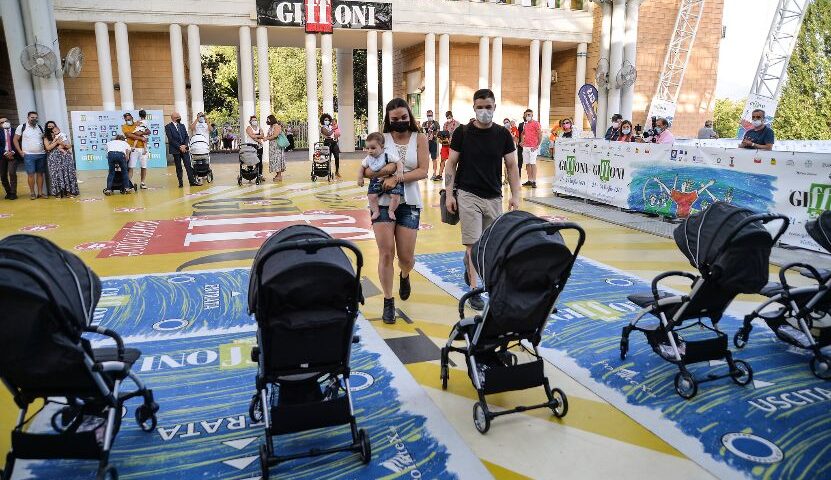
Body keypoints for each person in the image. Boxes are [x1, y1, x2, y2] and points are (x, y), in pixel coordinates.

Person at [444, 88, 521, 311]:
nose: (484, 111)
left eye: (488, 107)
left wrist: (515, 195)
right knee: (473, 244)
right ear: (474, 108)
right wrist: (449, 194)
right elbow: (451, 164)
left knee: (488, 245)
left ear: (495, 107)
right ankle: (475, 291)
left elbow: (512, 165)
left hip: (494, 197)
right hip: (468, 195)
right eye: (480, 107)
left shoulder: (503, 135)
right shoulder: (462, 133)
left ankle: (470, 265)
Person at [363, 98, 429, 324]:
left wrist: (396, 177)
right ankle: (388, 301)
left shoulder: (420, 138)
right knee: (386, 252)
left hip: (409, 201)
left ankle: (405, 273)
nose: (400, 122)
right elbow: (369, 170)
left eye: (404, 117)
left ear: (409, 116)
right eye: (395, 119)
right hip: (381, 201)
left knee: (406, 257)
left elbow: (422, 171)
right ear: (388, 121)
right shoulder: (382, 139)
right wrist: (390, 171)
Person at [357, 132, 404, 220]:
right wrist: (360, 178)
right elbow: (362, 167)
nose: (370, 151)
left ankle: (391, 210)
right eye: (367, 148)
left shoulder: (387, 155)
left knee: (395, 196)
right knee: (371, 196)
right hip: (375, 181)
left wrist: (400, 172)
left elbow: (398, 162)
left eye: (373, 148)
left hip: (389, 178)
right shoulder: (368, 158)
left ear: (382, 147)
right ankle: (375, 211)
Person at [13, 111, 47, 199]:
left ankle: (40, 193)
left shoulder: (40, 127)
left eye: (36, 117)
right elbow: (15, 140)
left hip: (41, 154)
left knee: (40, 174)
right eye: (32, 117)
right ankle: (32, 193)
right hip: (28, 155)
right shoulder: (22, 127)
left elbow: (44, 140)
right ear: (28, 118)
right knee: (30, 174)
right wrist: (20, 151)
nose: (34, 119)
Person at [43, 121, 79, 198]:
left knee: (68, 173)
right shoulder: (46, 137)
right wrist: (57, 142)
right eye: (49, 126)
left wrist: (62, 143)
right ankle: (59, 192)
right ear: (46, 127)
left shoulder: (62, 135)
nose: (51, 128)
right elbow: (48, 148)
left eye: (53, 126)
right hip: (54, 158)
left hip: (65, 157)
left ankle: (69, 192)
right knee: (56, 174)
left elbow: (69, 146)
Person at [165, 112, 200, 187]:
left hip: (185, 149)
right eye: (178, 117)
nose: (179, 118)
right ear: (173, 118)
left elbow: (186, 136)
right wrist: (180, 147)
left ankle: (192, 182)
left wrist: (185, 145)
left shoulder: (182, 125)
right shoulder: (168, 127)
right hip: (176, 149)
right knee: (178, 167)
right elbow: (171, 139)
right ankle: (180, 183)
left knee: (188, 165)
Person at [122, 112, 149, 189]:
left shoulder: (138, 123)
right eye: (127, 119)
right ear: (125, 120)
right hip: (132, 149)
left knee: (144, 166)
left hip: (143, 148)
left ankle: (143, 182)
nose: (128, 120)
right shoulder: (124, 126)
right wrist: (141, 137)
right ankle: (129, 183)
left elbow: (148, 131)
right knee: (131, 166)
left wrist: (141, 133)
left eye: (130, 119)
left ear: (132, 118)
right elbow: (129, 135)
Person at [520, 108, 541, 188]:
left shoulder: (536, 123)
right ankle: (530, 180)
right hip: (526, 147)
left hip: (533, 147)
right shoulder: (525, 124)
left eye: (529, 115)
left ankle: (534, 181)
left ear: (532, 115)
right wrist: (522, 142)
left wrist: (537, 145)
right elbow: (522, 133)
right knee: (527, 164)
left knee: (532, 163)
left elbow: (540, 135)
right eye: (526, 115)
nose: (527, 116)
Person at [0, 117, 19, 200]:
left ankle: (13, 193)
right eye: (1, 122)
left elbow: (19, 143)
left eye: (6, 121)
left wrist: (13, 152)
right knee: (3, 175)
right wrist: (5, 153)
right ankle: (8, 192)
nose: (4, 123)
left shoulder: (16, 131)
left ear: (9, 121)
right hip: (2, 155)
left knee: (12, 172)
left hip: (13, 155)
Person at [264, 114, 286, 182]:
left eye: (268, 119)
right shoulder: (271, 127)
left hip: (277, 146)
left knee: (277, 160)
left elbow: (275, 135)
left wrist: (267, 138)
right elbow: (269, 135)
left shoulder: (277, 126)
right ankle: (277, 174)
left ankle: (279, 175)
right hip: (272, 147)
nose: (267, 121)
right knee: (274, 160)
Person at [320, 113, 341, 178]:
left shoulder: (331, 126)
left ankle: (337, 171)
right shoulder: (323, 128)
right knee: (328, 158)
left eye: (328, 120)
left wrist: (337, 135)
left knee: (337, 157)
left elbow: (337, 133)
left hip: (334, 142)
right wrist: (334, 129)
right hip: (327, 143)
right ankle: (328, 171)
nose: (327, 121)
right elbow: (328, 134)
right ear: (323, 121)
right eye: (325, 120)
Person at [421, 110, 441, 180]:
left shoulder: (436, 123)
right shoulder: (424, 123)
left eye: (430, 115)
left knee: (434, 158)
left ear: (432, 115)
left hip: (433, 142)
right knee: (425, 159)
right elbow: (421, 132)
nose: (429, 117)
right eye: (428, 116)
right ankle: (425, 173)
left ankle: (434, 173)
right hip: (426, 143)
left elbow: (438, 132)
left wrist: (434, 135)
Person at [245, 115, 265, 180]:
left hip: (259, 146)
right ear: (250, 121)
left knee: (259, 161)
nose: (254, 121)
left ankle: (260, 175)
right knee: (251, 160)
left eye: (255, 120)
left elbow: (262, 135)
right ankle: (250, 174)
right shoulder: (249, 128)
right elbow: (252, 136)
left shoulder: (259, 128)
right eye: (253, 120)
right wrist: (258, 139)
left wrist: (256, 136)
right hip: (251, 146)